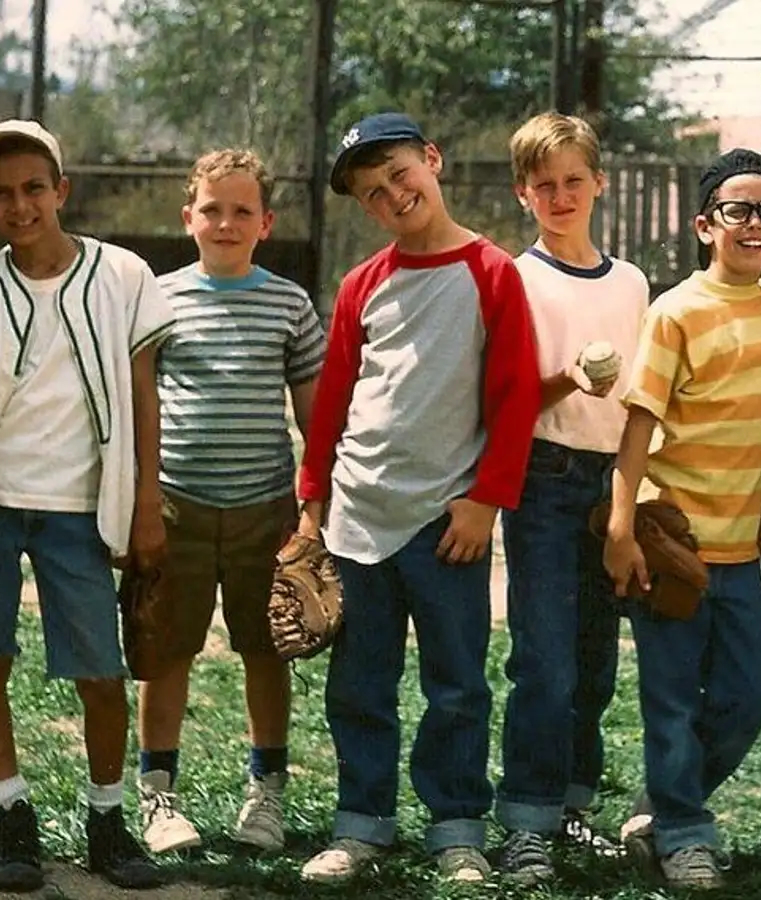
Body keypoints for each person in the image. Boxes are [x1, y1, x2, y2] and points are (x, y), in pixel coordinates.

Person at [0, 119, 175, 892]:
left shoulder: (124, 275)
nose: (21, 205)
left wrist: (149, 502)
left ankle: (107, 819)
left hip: (82, 509)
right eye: (1, 195)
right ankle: (14, 819)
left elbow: (143, 396)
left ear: (61, 190)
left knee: (101, 673)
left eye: (35, 187)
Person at [294, 112, 540, 885]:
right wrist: (313, 499)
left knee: (457, 683)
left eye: (400, 173)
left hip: (447, 520)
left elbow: (515, 395)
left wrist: (486, 499)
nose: (391, 194)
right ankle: (362, 822)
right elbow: (332, 400)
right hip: (360, 516)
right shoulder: (363, 285)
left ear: (432, 161)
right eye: (371, 192)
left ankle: (457, 824)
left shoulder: (492, 272)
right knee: (360, 683)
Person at [601, 147, 761, 890]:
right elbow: (638, 426)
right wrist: (620, 527)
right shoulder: (676, 313)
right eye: (738, 210)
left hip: (741, 556)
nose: (756, 223)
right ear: (705, 225)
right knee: (670, 701)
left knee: (748, 696)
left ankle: (663, 806)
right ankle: (686, 835)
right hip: (674, 545)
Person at [135, 149, 325, 856]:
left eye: (242, 210)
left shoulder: (289, 303)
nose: (225, 222)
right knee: (166, 651)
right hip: (177, 505)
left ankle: (265, 795)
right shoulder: (156, 298)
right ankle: (160, 797)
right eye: (212, 208)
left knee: (265, 650)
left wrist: (311, 513)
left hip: (263, 511)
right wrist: (143, 502)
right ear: (188, 217)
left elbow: (313, 418)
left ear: (266, 223)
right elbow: (142, 406)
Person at [491, 111, 648, 883]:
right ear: (524, 194)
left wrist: (630, 501)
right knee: (544, 663)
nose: (561, 196)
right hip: (544, 481)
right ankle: (525, 819)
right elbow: (508, 399)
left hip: (612, 482)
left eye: (573, 181)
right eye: (544, 185)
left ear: (599, 183)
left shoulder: (632, 282)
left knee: (595, 664)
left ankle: (573, 807)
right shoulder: (518, 278)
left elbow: (640, 403)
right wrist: (570, 379)